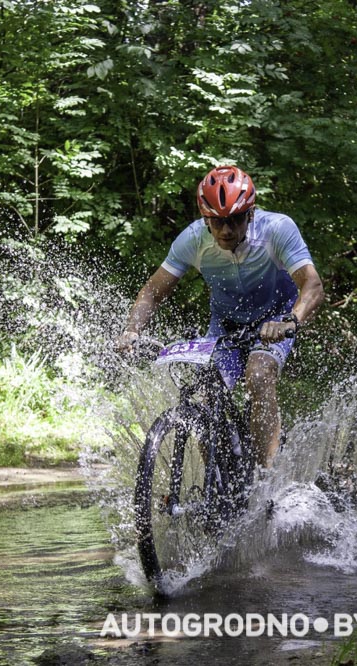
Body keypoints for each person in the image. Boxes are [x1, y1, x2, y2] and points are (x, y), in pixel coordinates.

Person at [116, 165, 325, 468]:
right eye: (217, 222)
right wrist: (132, 330)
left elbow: (312, 285)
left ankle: (264, 479)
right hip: (225, 325)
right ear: (206, 220)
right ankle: (217, 482)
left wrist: (290, 321)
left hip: (275, 320)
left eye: (235, 219)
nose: (226, 230)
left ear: (250, 214)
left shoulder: (277, 229)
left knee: (258, 374)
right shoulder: (192, 240)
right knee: (208, 394)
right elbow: (152, 292)